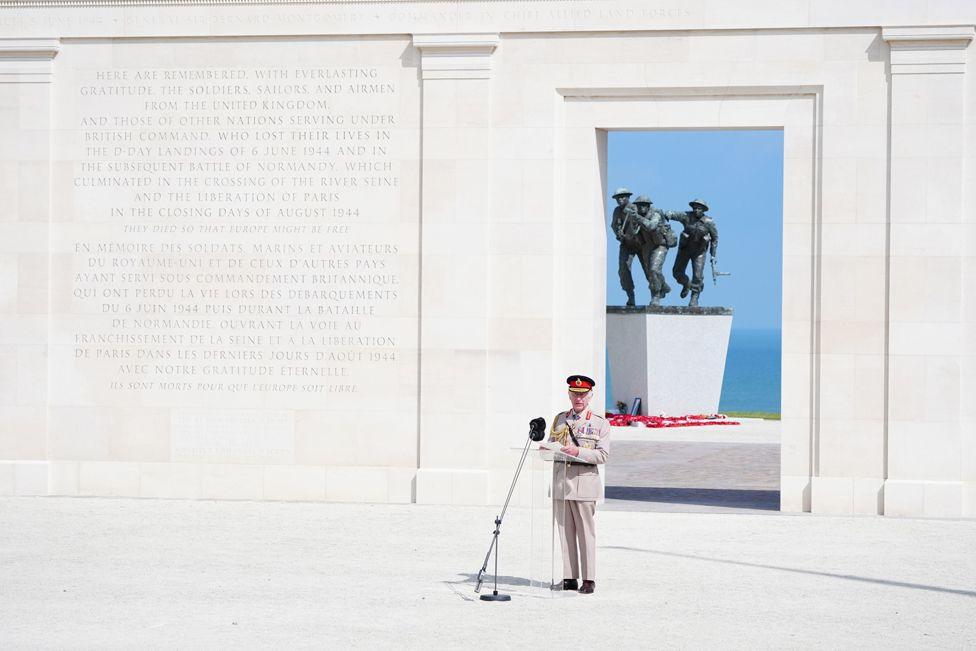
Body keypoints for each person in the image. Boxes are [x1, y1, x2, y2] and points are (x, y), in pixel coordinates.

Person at [546, 374, 610, 594]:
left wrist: (578, 451)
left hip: (584, 483)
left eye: (582, 394)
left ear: (590, 395)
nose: (578, 398)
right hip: (562, 483)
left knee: (585, 532)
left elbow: (602, 455)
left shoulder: (599, 422)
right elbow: (552, 444)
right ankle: (569, 577)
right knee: (564, 532)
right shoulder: (560, 419)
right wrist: (547, 449)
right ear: (569, 394)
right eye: (574, 394)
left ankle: (589, 579)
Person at [666, 198, 719, 307]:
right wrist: (668, 214)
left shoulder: (709, 222)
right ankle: (686, 283)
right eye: (694, 208)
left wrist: (713, 255)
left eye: (699, 208)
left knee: (698, 276)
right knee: (677, 272)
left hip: (699, 251)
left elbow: (715, 238)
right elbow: (675, 215)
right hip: (685, 249)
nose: (696, 210)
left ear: (703, 210)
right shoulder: (687, 216)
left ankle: (694, 297)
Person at [631, 195, 677, 306]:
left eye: (644, 205)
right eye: (639, 205)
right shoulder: (635, 216)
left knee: (654, 270)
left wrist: (637, 218)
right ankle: (664, 286)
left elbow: (651, 226)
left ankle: (656, 296)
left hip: (660, 245)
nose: (642, 207)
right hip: (647, 245)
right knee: (649, 274)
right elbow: (634, 231)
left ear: (648, 206)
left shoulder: (655, 214)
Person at [609, 187, 644, 307]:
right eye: (618, 198)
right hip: (627, 244)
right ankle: (630, 295)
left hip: (641, 244)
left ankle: (657, 293)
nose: (620, 200)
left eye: (623, 197)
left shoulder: (635, 208)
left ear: (628, 197)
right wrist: (618, 232)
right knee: (623, 269)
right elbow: (614, 225)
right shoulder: (617, 211)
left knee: (649, 270)